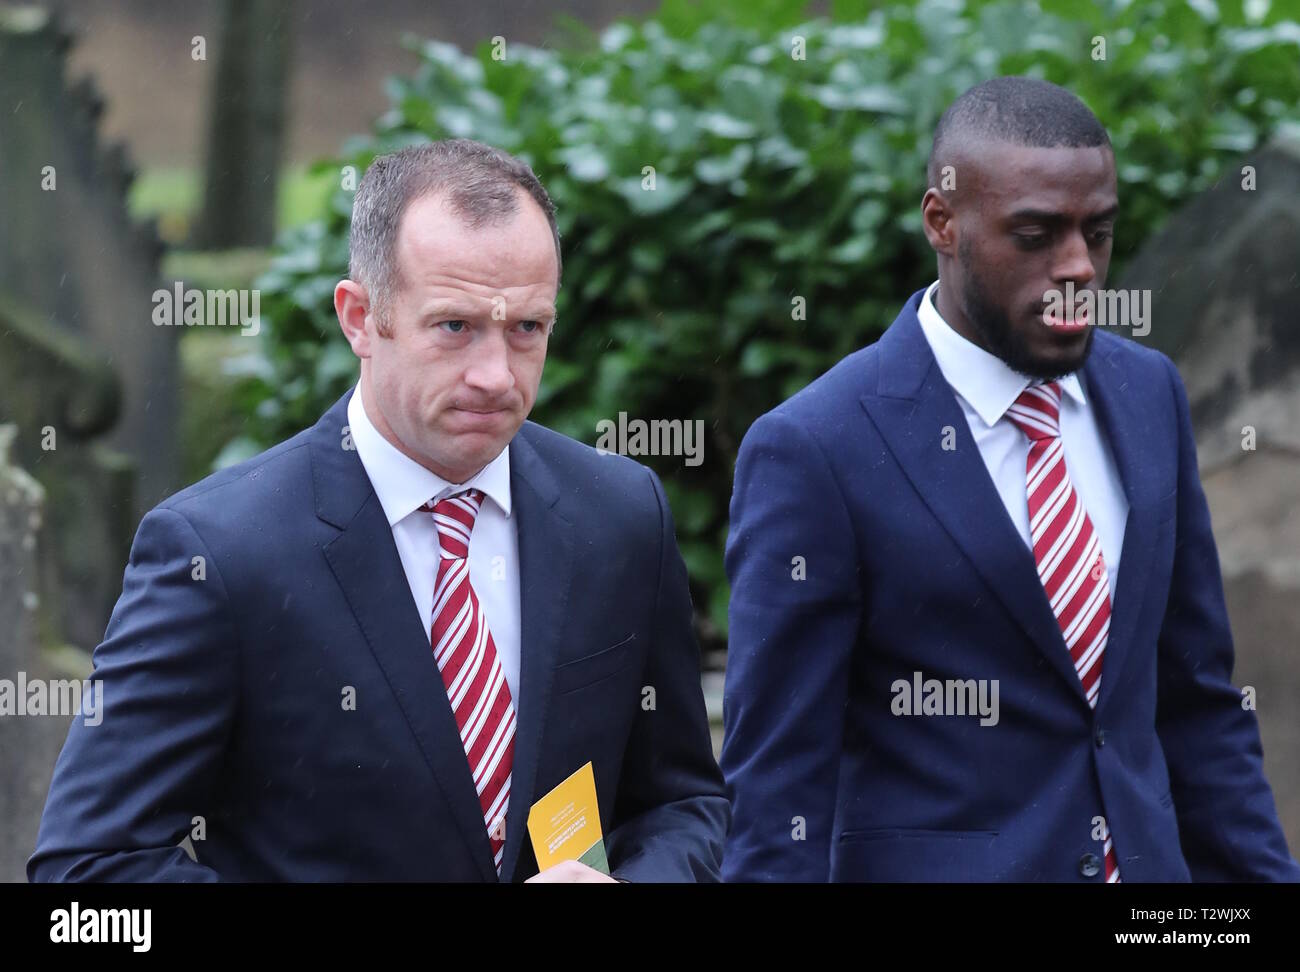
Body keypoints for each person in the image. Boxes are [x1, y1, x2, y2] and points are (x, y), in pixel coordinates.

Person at [29, 139, 727, 882]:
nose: (496, 376)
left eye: (526, 328)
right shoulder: (217, 553)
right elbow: (87, 875)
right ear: (360, 318)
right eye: (455, 327)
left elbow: (683, 806)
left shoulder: (620, 516)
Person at [720, 77, 1299, 882]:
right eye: (1035, 235)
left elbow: (1197, 703)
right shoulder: (815, 449)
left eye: (1097, 234)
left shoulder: (1148, 393)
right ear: (943, 222)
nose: (1078, 268)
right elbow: (779, 789)